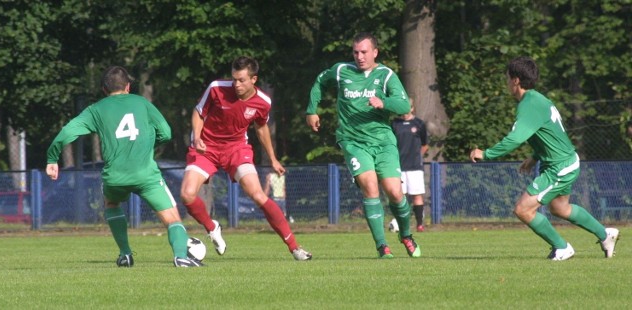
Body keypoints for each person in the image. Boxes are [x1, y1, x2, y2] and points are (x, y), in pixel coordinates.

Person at [46, 66, 201, 267]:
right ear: (128, 86)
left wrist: (52, 158)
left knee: (111, 204)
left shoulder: (96, 109)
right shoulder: (142, 103)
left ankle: (125, 253)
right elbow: (166, 132)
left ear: (104, 89)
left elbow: (67, 132)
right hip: (146, 175)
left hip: (115, 177)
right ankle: (180, 256)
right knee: (172, 218)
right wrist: (146, 145)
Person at [469, 56, 620, 260]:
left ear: (515, 80)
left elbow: (515, 139)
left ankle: (562, 247)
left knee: (523, 209)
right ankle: (605, 234)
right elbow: (549, 135)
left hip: (559, 166)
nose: (506, 83)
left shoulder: (529, 104)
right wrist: (534, 157)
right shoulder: (536, 100)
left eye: (507, 78)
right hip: (563, 162)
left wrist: (485, 153)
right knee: (560, 208)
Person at [180, 56, 312, 261]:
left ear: (254, 79)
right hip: (206, 147)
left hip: (236, 149)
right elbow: (198, 113)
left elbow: (261, 128)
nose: (236, 84)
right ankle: (212, 227)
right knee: (187, 195)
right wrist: (197, 137)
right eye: (234, 79)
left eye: (241, 80)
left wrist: (273, 159)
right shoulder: (216, 88)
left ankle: (295, 247)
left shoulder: (263, 102)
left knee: (258, 195)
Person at [306, 32, 420, 258]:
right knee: (370, 185)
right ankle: (382, 246)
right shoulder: (341, 71)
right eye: (356, 52)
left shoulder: (386, 75)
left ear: (375, 52)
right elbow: (319, 81)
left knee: (395, 193)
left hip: (383, 141)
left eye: (364, 52)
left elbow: (403, 104)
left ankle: (406, 235)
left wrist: (383, 102)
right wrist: (311, 110)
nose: (359, 56)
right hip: (353, 141)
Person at [390, 103, 429, 232]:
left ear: (412, 108)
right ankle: (401, 223)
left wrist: (417, 157)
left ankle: (419, 224)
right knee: (400, 196)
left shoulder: (419, 124)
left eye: (407, 108)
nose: (405, 111)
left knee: (417, 195)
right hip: (398, 166)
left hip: (414, 166)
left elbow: (424, 145)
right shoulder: (395, 123)